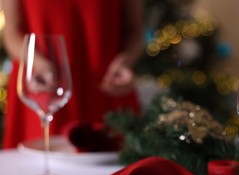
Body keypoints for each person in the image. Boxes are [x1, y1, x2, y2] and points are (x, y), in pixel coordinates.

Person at [1, 0, 144, 148]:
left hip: (107, 89)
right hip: (45, 89)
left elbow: (134, 30)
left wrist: (125, 62)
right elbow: (11, 34)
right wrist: (39, 64)